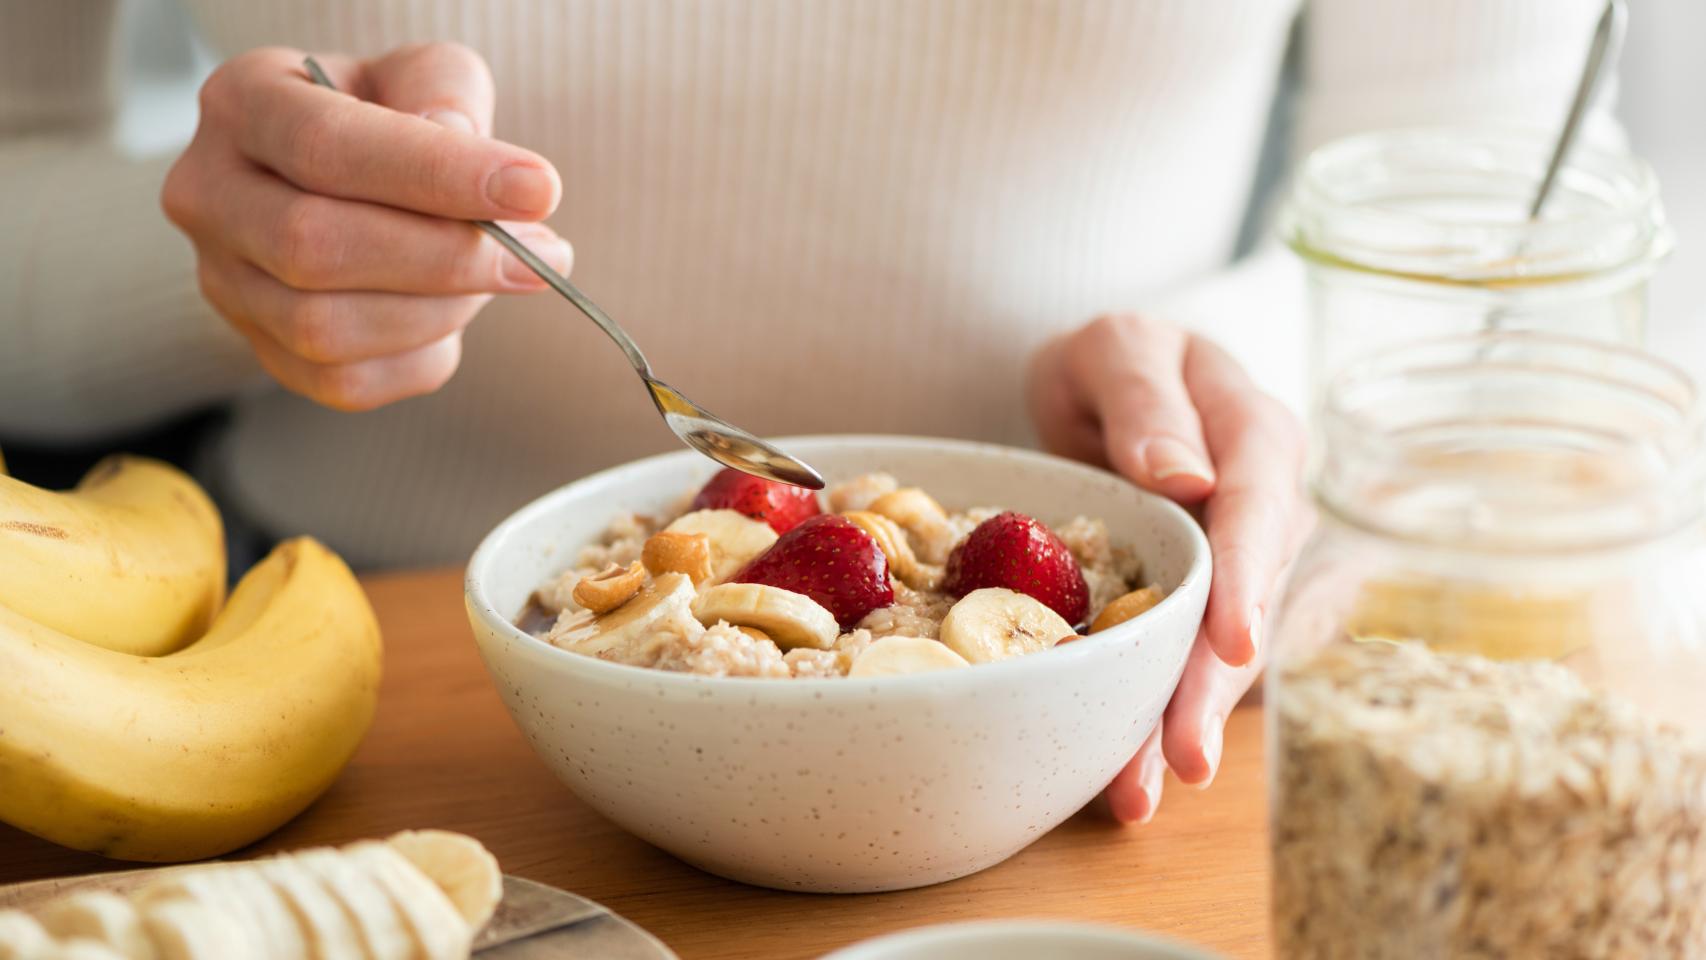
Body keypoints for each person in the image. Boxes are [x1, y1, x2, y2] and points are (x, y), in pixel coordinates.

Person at [0, 0, 1617, 825]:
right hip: (386, 709)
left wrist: (1228, 371)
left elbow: (1516, 201)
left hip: (1119, 727)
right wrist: (218, 253)